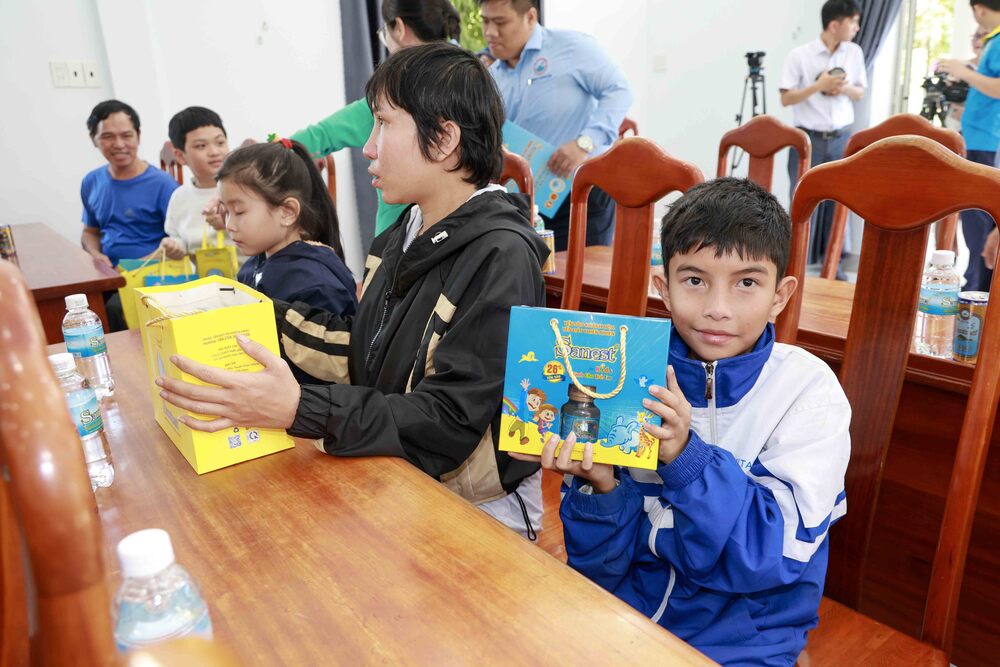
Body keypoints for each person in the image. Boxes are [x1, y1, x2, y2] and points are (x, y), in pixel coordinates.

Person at [156, 44, 550, 538]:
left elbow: (449, 420)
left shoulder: (501, 256)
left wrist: (301, 408)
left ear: (444, 139)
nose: (367, 147)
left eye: (383, 124)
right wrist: (252, 315)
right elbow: (367, 349)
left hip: (475, 504)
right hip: (397, 468)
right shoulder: (403, 232)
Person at [513, 178, 851, 666]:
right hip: (627, 619)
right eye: (694, 280)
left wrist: (686, 458)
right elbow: (599, 573)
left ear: (780, 296)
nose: (717, 309)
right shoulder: (628, 381)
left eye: (747, 283)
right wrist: (602, 489)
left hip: (745, 642)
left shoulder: (806, 392)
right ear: (664, 289)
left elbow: (771, 556)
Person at [290, 0, 462, 239]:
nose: (369, 150)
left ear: (399, 28)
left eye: (383, 123)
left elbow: (315, 138)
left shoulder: (393, 95)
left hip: (397, 241)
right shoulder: (469, 83)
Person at [479, 0, 633, 251]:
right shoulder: (492, 76)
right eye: (485, 21)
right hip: (526, 201)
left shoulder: (572, 48)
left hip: (583, 192)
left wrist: (585, 142)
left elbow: (619, 91)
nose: (490, 32)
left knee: (582, 272)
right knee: (531, 272)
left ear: (530, 17)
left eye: (500, 22)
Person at [219, 139, 357, 384]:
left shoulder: (316, 282)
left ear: (287, 212)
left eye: (239, 212)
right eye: (225, 212)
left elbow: (332, 369)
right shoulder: (255, 264)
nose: (229, 224)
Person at [780, 0, 865, 278]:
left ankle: (835, 270)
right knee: (802, 205)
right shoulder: (799, 55)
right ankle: (796, 270)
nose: (857, 28)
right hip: (807, 141)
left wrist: (842, 88)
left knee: (839, 205)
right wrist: (819, 86)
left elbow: (860, 92)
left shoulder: (854, 52)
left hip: (842, 139)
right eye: (853, 22)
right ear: (834, 24)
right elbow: (786, 97)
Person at [81, 99, 179, 330]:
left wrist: (132, 268)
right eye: (108, 137)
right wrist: (95, 254)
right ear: (94, 139)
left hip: (150, 278)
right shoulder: (91, 181)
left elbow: (178, 243)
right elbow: (90, 232)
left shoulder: (163, 185)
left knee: (113, 309)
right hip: (106, 277)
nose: (119, 144)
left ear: (138, 135)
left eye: (126, 135)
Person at [938, 0, 1000, 293]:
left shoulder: (998, 41)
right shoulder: (993, 41)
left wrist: (963, 71)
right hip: (980, 140)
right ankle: (977, 287)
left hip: (986, 143)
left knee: (980, 222)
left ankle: (979, 292)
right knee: (976, 222)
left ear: (979, 9)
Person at [158, 106, 235, 260]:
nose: (214, 152)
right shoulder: (179, 197)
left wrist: (229, 223)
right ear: (180, 156)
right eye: (201, 146)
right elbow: (177, 237)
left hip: (246, 272)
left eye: (220, 143)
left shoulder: (245, 189)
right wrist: (174, 245)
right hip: (200, 274)